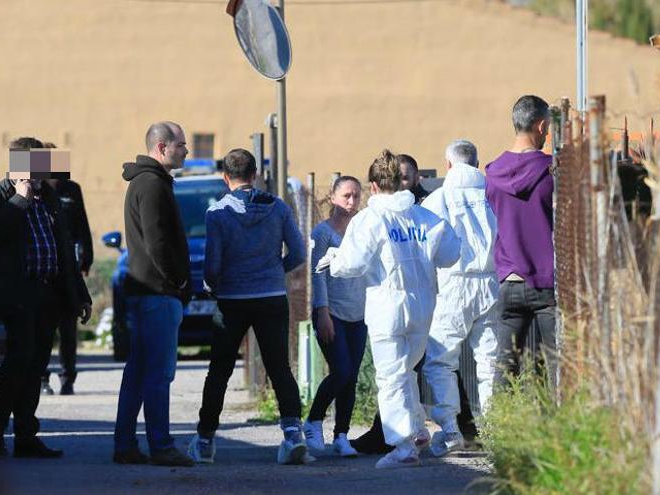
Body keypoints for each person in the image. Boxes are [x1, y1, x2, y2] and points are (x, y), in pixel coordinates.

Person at [317, 150, 460, 469]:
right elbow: (451, 254)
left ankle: (403, 443)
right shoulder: (424, 216)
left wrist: (334, 260)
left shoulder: (371, 218)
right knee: (405, 370)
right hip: (423, 306)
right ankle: (418, 429)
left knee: (391, 376)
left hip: (387, 307)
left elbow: (352, 264)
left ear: (374, 187)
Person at [188, 149, 307, 465]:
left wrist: (213, 285)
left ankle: (205, 440)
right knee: (279, 366)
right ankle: (293, 434)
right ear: (255, 175)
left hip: (232, 299)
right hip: (270, 296)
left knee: (220, 370)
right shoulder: (278, 208)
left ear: (226, 178)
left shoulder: (217, 214)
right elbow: (298, 252)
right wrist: (273, 271)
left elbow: (212, 264)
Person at [0, 136, 92, 458]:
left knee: (36, 364)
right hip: (18, 293)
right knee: (18, 361)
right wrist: (20, 200)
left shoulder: (50, 198)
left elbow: (64, 247)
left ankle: (26, 436)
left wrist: (79, 294)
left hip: (49, 293)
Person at [112, 121, 194, 467]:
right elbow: (157, 241)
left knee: (139, 372)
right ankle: (161, 445)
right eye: (181, 145)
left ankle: (126, 445)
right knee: (158, 374)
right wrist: (178, 281)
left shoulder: (149, 182)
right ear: (162, 148)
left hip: (150, 291)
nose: (186, 150)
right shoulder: (152, 185)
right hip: (158, 292)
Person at [421, 140, 500, 456]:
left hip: (453, 283)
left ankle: (451, 429)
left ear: (449, 165)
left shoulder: (438, 199)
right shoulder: (493, 195)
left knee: (440, 359)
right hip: (493, 282)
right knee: (490, 359)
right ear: (478, 164)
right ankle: (494, 431)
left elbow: (426, 247)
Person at [485, 95, 558, 390]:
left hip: (509, 279)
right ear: (540, 126)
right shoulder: (552, 170)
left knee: (505, 364)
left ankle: (501, 432)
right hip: (545, 280)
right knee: (557, 363)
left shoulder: (492, 174)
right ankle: (558, 428)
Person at [302, 176, 368, 458]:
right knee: (340, 370)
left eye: (355, 196)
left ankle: (341, 435)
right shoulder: (323, 233)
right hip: (332, 312)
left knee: (351, 377)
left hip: (359, 313)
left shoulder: (363, 230)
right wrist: (323, 312)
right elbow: (318, 276)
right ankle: (313, 419)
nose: (351, 202)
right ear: (333, 198)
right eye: (346, 196)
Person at [41, 142, 93, 396]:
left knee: (68, 327)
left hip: (67, 266)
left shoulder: (71, 190)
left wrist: (87, 257)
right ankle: (42, 377)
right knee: (44, 329)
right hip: (43, 269)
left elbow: (82, 224)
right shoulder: (34, 192)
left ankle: (67, 376)